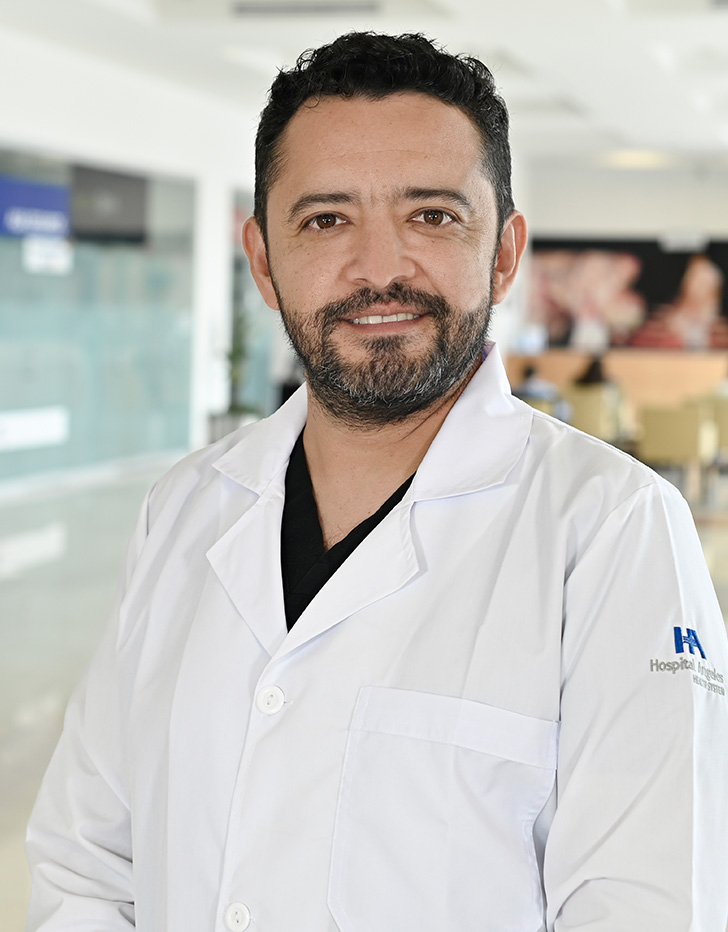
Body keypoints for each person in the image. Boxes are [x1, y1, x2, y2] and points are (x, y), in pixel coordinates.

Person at [26, 32, 728, 932]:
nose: (380, 267)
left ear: (505, 252)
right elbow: (85, 865)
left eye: (432, 215)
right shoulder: (187, 509)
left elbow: (652, 909)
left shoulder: (614, 532)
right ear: (263, 259)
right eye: (326, 219)